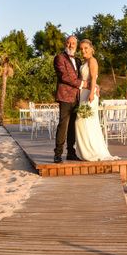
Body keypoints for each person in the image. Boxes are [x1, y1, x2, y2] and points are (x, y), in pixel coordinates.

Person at [75, 39, 120, 161]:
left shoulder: (92, 60)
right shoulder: (84, 62)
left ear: (91, 49)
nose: (83, 50)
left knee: (82, 121)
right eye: (81, 48)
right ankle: (86, 151)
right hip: (83, 92)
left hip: (89, 94)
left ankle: (91, 151)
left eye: (86, 48)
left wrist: (92, 92)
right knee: (85, 122)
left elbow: (94, 77)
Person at [53, 35, 87, 163]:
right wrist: (82, 84)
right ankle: (58, 153)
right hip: (65, 97)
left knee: (73, 126)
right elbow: (64, 77)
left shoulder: (78, 60)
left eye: (73, 43)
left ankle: (71, 153)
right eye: (68, 42)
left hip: (77, 97)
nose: (71, 45)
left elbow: (83, 76)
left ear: (76, 45)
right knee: (63, 125)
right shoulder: (59, 58)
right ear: (65, 43)